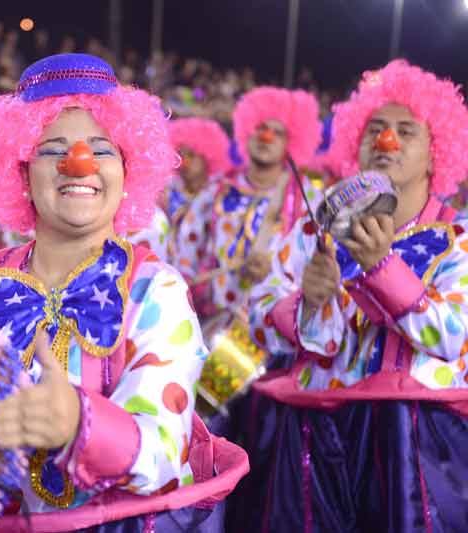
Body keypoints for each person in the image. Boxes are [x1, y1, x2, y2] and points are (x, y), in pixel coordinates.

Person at [0, 53, 248, 532]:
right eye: (52, 148)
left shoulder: (156, 291)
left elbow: (162, 451)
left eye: (101, 150)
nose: (77, 163)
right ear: (21, 174)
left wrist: (79, 424)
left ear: (127, 175)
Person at [245, 60, 468, 532]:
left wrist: (382, 269)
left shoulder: (459, 237)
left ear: (435, 154)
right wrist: (306, 303)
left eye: (406, 131)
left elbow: (453, 336)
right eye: (375, 130)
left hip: (414, 444)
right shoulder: (312, 229)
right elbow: (258, 319)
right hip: (311, 438)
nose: (387, 140)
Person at [172, 87, 323, 322]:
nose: (267, 137)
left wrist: (274, 274)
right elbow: (186, 253)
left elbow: (316, 270)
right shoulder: (216, 190)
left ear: (291, 142)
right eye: (261, 128)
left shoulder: (308, 201)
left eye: (277, 133)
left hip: (273, 331)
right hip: (212, 328)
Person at [163, 117, 232, 223]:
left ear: (207, 157)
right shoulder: (167, 194)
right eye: (179, 155)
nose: (184, 161)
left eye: (191, 155)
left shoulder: (220, 194)